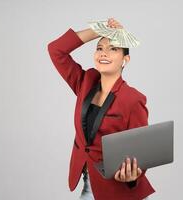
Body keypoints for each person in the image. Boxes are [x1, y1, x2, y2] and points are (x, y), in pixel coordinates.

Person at [47, 18, 155, 200]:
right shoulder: (86, 82)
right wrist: (100, 30)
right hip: (90, 184)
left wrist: (133, 174)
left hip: (118, 190)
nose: (104, 53)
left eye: (113, 48)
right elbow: (56, 50)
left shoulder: (132, 99)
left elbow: (141, 152)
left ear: (125, 60)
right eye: (100, 48)